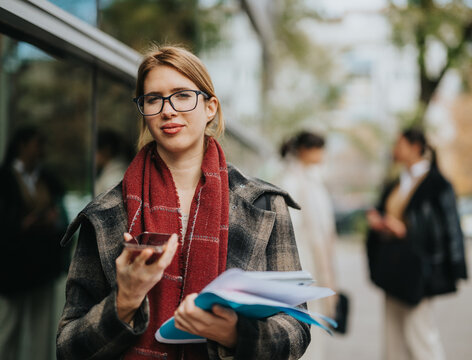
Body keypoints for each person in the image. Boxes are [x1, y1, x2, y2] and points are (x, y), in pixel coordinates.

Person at [56, 45, 310, 360]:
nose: (168, 110)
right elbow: (68, 348)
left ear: (210, 108)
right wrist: (124, 302)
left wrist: (235, 333)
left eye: (182, 95)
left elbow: (298, 327)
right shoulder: (106, 214)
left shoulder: (264, 205)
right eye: (153, 99)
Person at [366, 128, 468, 360]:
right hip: (393, 267)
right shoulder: (396, 182)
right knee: (393, 337)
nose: (395, 149)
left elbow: (447, 228)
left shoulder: (437, 183)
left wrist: (405, 230)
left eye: (399, 144)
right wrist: (380, 222)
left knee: (420, 333)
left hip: (419, 269)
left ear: (414, 147)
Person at [0, 126, 68, 360]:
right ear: (22, 145)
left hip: (42, 264)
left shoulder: (47, 179)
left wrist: (52, 219)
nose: (41, 150)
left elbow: (62, 215)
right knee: (7, 329)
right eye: (37, 144)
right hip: (12, 266)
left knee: (42, 330)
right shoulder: (5, 178)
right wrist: (20, 224)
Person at [279, 131, 337, 360]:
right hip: (300, 265)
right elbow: (289, 229)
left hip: (315, 265)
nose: (322, 154)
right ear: (304, 150)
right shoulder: (290, 181)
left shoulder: (313, 179)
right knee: (304, 325)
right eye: (318, 148)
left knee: (315, 324)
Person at [94, 129, 131, 196]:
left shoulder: (114, 178)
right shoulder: (111, 173)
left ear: (106, 150)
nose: (93, 155)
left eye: (95, 150)